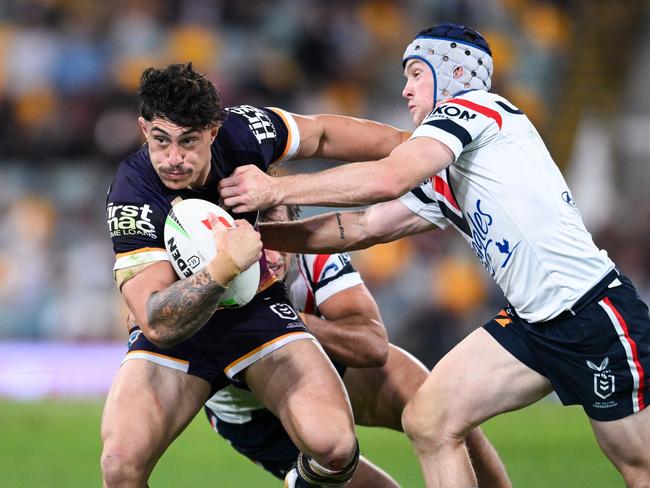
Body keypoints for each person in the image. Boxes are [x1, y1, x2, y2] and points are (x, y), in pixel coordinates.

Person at [217, 23, 650, 487]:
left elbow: (387, 179)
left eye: (417, 74)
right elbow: (363, 226)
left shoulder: (478, 109)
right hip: (531, 325)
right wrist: (263, 237)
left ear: (455, 73)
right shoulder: (450, 169)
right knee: (428, 421)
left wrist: (274, 188)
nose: (405, 90)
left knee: (637, 467)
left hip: (591, 311)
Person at [102, 62, 415, 488]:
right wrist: (227, 265)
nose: (173, 158)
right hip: (184, 332)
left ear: (214, 130)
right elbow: (156, 321)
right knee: (120, 466)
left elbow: (323, 133)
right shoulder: (131, 192)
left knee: (336, 447)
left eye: (188, 141)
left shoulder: (246, 131)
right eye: (160, 141)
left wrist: (414, 145)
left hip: (257, 313)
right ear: (143, 130)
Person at [203, 205, 511, 487]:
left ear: (291, 220)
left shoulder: (310, 251)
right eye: (249, 228)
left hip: (322, 361)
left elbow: (372, 344)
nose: (264, 247)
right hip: (253, 412)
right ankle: (308, 477)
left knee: (442, 408)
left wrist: (285, 320)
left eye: (271, 221)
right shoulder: (205, 269)